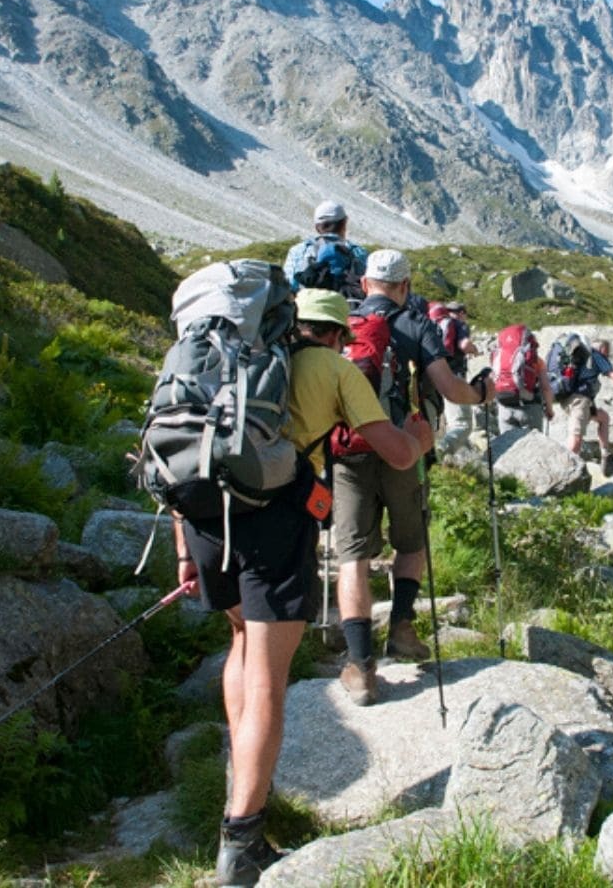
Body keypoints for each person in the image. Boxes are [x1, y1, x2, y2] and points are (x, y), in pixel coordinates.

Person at [173, 288, 431, 885]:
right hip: (273, 522)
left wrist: (184, 549)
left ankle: (242, 785)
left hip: (205, 518)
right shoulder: (333, 368)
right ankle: (242, 840)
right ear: (339, 333)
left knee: (241, 644)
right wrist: (422, 438)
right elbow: (396, 454)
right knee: (268, 676)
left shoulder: (233, 357)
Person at [332, 249, 489, 704]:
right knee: (411, 540)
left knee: (352, 556)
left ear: (365, 285)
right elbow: (450, 389)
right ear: (405, 286)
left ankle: (360, 666)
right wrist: (481, 393)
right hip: (405, 446)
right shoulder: (417, 323)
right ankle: (401, 629)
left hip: (349, 450)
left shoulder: (343, 324)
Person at [549, 336, 613, 473]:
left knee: (603, 418)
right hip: (580, 401)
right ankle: (563, 472)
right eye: (607, 352)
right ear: (602, 348)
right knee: (576, 439)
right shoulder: (596, 355)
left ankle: (606, 457)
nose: (607, 356)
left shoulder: (579, 356)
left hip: (566, 399)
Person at [282, 199, 369, 297]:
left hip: (308, 305)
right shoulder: (359, 252)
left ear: (317, 227)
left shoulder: (298, 251)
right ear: (344, 223)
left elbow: (288, 287)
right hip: (347, 305)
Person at [436, 302, 480, 447]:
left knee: (444, 422)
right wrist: (474, 350)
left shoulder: (436, 323)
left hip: (435, 376)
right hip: (453, 378)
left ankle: (448, 453)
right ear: (461, 313)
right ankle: (441, 451)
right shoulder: (459, 325)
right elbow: (464, 345)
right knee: (462, 424)